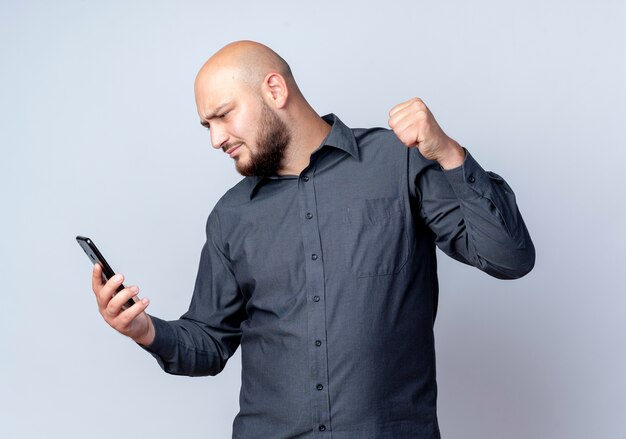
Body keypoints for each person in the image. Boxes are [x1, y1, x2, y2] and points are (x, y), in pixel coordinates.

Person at [91, 40, 535, 438]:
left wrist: (449, 154)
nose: (215, 139)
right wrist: (144, 330)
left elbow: (508, 257)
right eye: (206, 125)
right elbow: (209, 341)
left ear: (275, 90)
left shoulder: (395, 163)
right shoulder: (230, 217)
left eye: (223, 115)